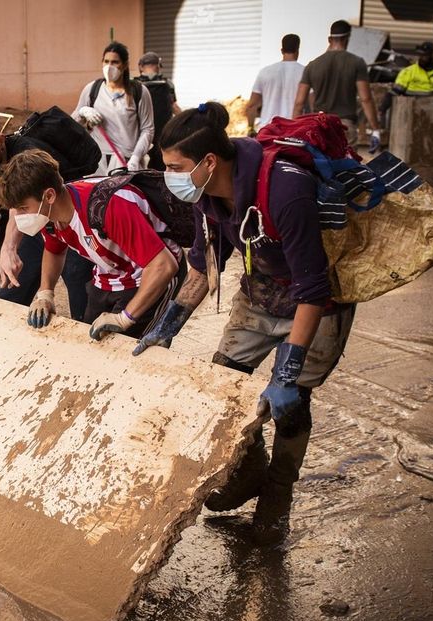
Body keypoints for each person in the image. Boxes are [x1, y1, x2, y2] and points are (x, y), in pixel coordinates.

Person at [136, 102, 356, 547]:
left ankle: (277, 500)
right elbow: (202, 267)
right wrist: (166, 326)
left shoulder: (284, 189)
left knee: (289, 405)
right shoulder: (205, 195)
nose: (170, 177)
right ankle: (247, 471)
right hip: (261, 291)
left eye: (175, 167)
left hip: (317, 301)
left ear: (209, 161)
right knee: (223, 387)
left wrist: (287, 374)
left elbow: (313, 290)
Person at [0, 149, 183, 339]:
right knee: (90, 341)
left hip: (148, 274)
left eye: (23, 208)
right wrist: (45, 293)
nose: (19, 217)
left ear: (49, 196)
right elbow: (54, 250)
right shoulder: (49, 215)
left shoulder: (108, 207)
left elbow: (163, 265)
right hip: (110, 275)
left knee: (125, 348)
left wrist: (125, 318)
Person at [0, 106, 92, 320]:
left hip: (70, 221)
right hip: (34, 223)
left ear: (0, 140)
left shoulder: (27, 152)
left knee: (81, 297)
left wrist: (9, 248)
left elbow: (17, 210)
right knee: (12, 293)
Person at [294, 20, 382, 152]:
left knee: (320, 168)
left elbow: (299, 103)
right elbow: (366, 99)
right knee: (347, 169)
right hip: (344, 126)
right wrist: (375, 130)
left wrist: (294, 130)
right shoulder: (357, 63)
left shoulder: (312, 65)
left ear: (329, 39)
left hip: (319, 125)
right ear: (348, 38)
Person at [73, 42, 155, 174]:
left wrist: (135, 157)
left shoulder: (139, 91)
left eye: (115, 62)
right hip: (98, 162)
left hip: (127, 163)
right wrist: (83, 111)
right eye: (106, 61)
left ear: (125, 65)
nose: (109, 67)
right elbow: (73, 122)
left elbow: (148, 129)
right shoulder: (92, 89)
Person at [247, 34, 305, 132]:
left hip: (267, 130)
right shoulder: (304, 72)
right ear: (297, 50)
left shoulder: (265, 72)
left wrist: (251, 128)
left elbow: (252, 105)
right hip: (293, 131)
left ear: (282, 50)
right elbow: (312, 104)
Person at [379, 41, 433, 122]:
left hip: (432, 112)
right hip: (411, 111)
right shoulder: (408, 72)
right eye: (420, 55)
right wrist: (383, 107)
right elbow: (394, 92)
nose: (422, 58)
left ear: (432, 55)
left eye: (425, 55)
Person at [134, 52, 180, 171]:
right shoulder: (167, 83)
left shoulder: (133, 85)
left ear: (140, 67)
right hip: (162, 135)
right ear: (158, 66)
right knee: (160, 168)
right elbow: (174, 106)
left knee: (137, 168)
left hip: (139, 135)